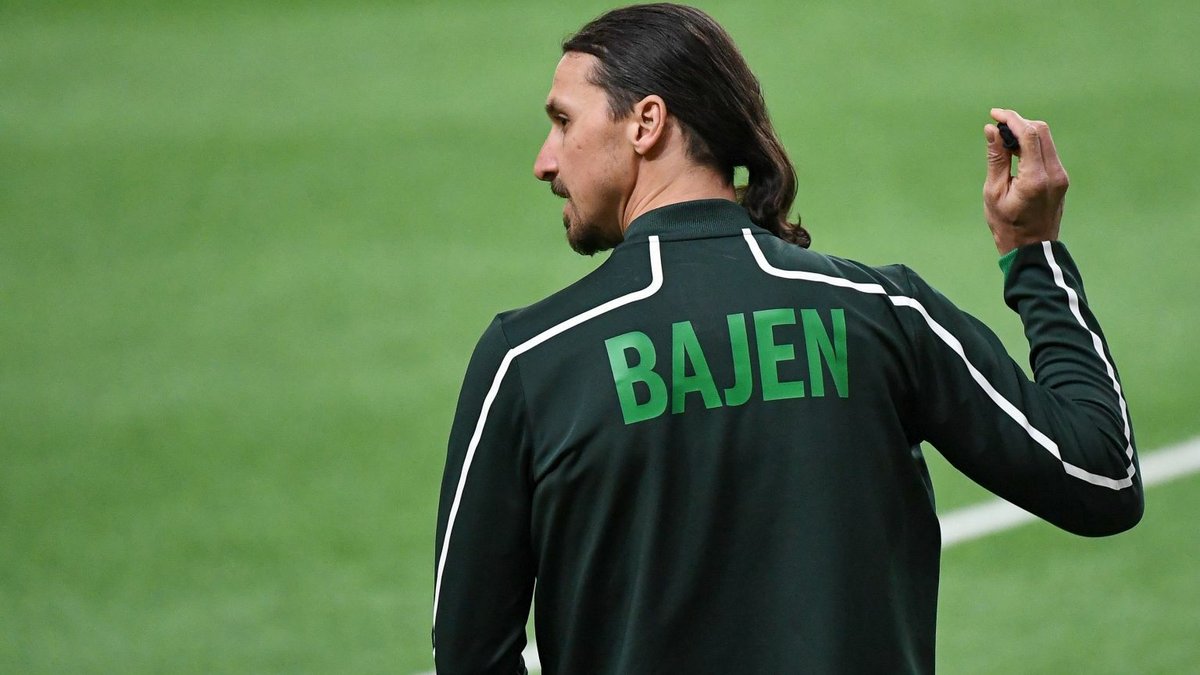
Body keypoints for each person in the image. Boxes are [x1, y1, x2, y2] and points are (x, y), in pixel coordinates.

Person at [432, 4, 1143, 673]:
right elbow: (1101, 477)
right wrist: (1034, 254)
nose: (545, 161)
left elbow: (469, 653)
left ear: (646, 122)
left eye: (563, 121)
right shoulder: (882, 313)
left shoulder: (530, 359)